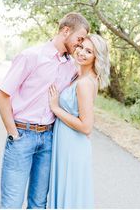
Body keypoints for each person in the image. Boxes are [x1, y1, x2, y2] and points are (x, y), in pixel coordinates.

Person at [0, 12, 90, 209]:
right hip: (22, 136)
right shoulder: (30, 56)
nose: (79, 46)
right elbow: (3, 94)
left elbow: (87, 80)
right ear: (66, 31)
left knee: (39, 203)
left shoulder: (71, 67)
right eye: (79, 39)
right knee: (11, 203)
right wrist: (13, 134)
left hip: (48, 139)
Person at [48, 34, 110, 209]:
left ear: (96, 57)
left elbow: (86, 126)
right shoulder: (80, 77)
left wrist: (56, 108)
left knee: (71, 196)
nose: (82, 53)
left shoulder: (85, 83)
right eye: (81, 47)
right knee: (67, 193)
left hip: (73, 146)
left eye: (89, 51)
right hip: (67, 144)